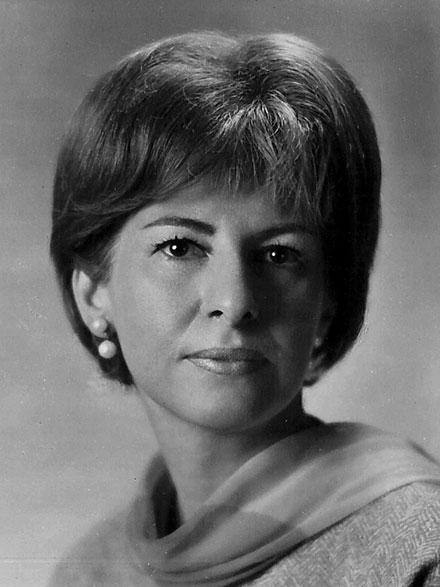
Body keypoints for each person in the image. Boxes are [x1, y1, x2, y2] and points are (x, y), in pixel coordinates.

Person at [49, 31, 440, 586]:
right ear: (94, 294)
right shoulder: (89, 573)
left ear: (327, 305)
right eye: (180, 248)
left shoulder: (419, 550)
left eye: (280, 254)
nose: (234, 303)